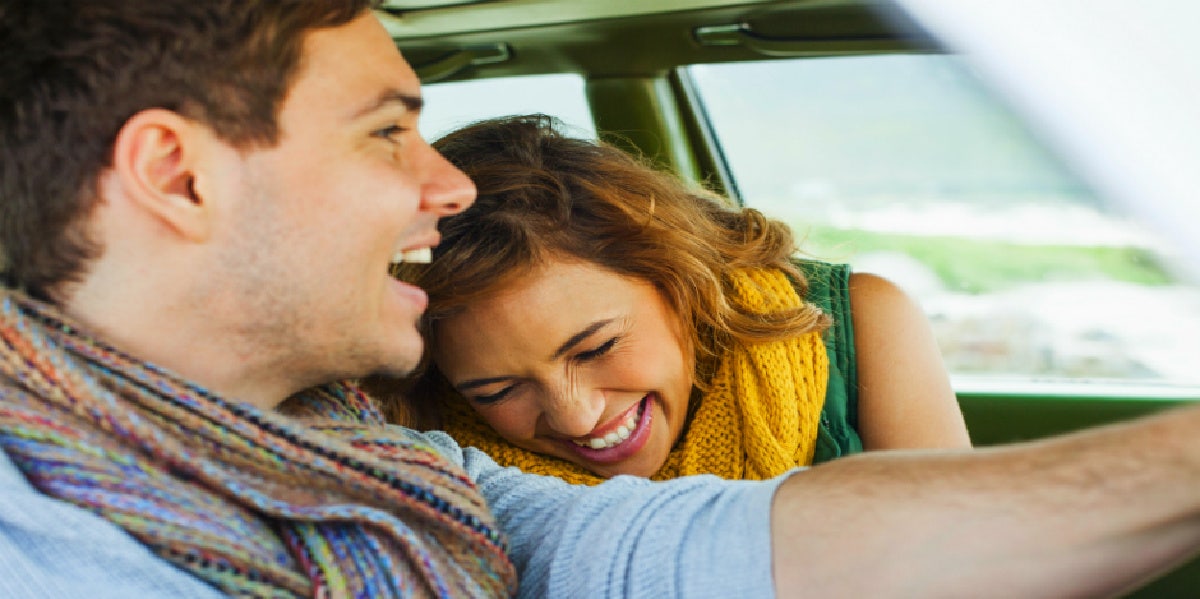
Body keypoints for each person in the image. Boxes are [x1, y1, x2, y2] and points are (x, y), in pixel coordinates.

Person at [1, 2, 1198, 598]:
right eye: (386, 133)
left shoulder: (366, 455)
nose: (445, 184)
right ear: (179, 174)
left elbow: (679, 548)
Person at [387, 114, 970, 485]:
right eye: (498, 391)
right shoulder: (423, 438)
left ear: (678, 276)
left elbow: (961, 567)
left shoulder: (864, 321)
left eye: (596, 349)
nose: (577, 417)